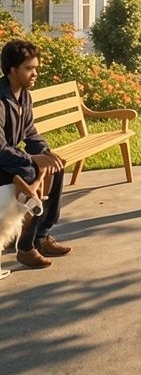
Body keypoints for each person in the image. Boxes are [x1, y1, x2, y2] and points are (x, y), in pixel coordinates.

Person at [0, 40, 71, 268]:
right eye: (29, 68)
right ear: (12, 69)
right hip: (2, 160)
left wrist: (45, 153)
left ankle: (41, 236)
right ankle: (25, 248)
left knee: (55, 167)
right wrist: (32, 160)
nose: (35, 74)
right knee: (31, 171)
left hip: (10, 159)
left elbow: (30, 131)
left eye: (36, 68)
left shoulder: (24, 96)